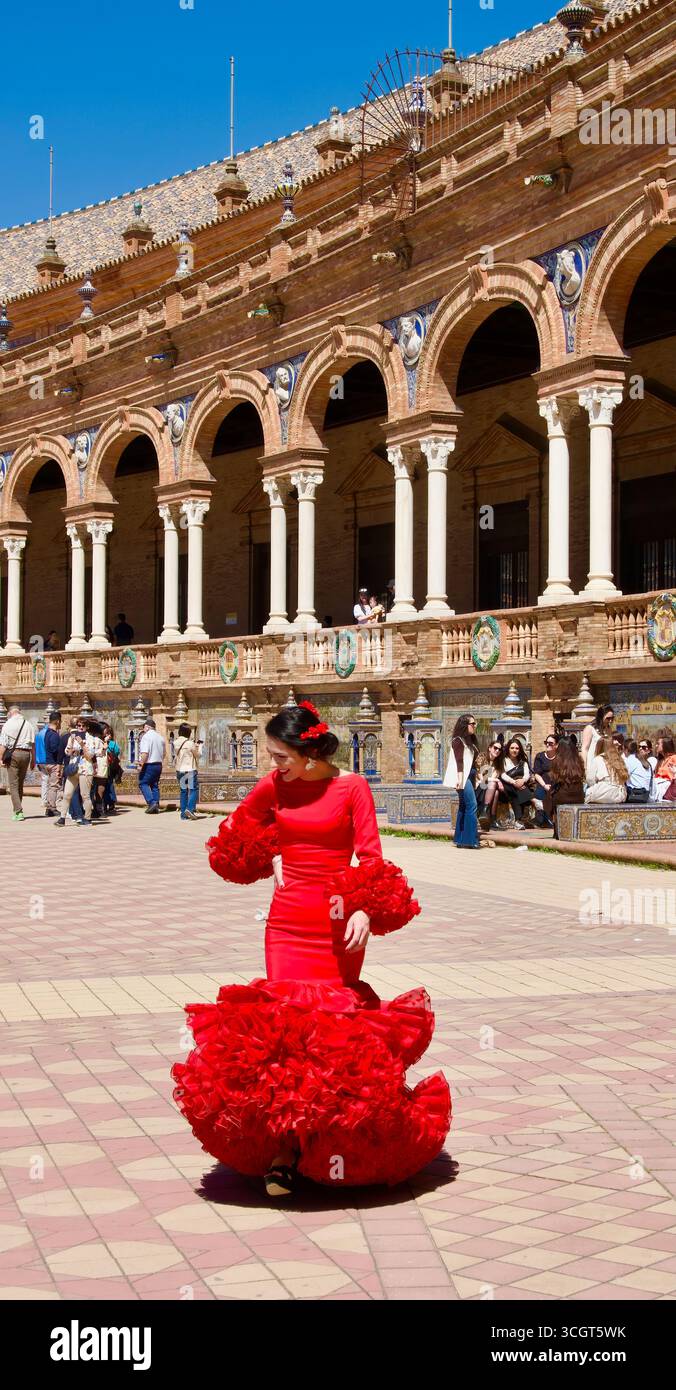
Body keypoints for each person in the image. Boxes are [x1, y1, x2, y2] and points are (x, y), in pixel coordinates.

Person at [172, 700, 451, 1197]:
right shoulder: (273, 787)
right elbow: (234, 833)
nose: (271, 764)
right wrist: (271, 851)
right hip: (286, 921)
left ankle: (327, 1145)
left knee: (332, 1033)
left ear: (308, 753)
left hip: (337, 922)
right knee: (282, 1033)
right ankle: (285, 1149)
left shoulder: (352, 787)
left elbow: (371, 855)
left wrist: (367, 907)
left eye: (279, 756)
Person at [444, 714, 480, 848]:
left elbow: (474, 761)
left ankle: (460, 839)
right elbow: (459, 761)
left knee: (464, 806)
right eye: (473, 724)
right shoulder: (458, 740)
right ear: (465, 725)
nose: (475, 726)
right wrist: (459, 779)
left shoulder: (470, 741)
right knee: (472, 805)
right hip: (462, 777)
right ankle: (470, 840)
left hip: (470, 775)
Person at [55, 721, 95, 827]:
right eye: (79, 726)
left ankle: (87, 818)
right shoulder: (71, 737)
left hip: (85, 769)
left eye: (83, 726)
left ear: (86, 727)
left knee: (85, 795)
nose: (81, 728)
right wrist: (72, 742)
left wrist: (82, 744)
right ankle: (62, 818)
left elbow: (90, 755)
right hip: (73, 768)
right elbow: (67, 753)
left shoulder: (91, 739)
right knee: (67, 794)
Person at [545, 738, 586, 839]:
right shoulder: (579, 761)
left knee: (549, 798)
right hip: (578, 796)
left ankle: (557, 830)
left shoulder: (557, 761)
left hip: (562, 797)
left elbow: (554, 779)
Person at [0, 705, 36, 822]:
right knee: (20, 783)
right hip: (26, 755)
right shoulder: (29, 724)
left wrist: (1, 758)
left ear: (10, 713)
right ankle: (17, 809)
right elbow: (33, 744)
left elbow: (3, 745)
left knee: (13, 784)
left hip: (13, 754)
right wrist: (33, 759)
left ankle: (18, 810)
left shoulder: (8, 724)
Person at [500, 737, 536, 828]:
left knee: (520, 790)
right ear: (508, 748)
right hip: (507, 784)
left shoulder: (523, 762)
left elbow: (527, 775)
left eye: (517, 748)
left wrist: (522, 781)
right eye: (512, 748)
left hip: (521, 785)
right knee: (514, 791)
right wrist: (514, 782)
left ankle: (519, 821)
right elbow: (503, 775)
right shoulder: (504, 760)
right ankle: (534, 801)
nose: (514, 750)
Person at [585, 735, 628, 804]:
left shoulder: (598, 759)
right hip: (620, 795)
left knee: (586, 793)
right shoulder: (619, 759)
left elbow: (590, 779)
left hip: (604, 792)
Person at [174, 722, 201, 820]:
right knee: (193, 790)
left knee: (183, 791)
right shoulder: (190, 743)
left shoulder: (175, 742)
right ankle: (190, 808)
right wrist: (199, 747)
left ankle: (183, 815)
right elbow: (197, 755)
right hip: (190, 770)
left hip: (180, 770)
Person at [532, 733, 560, 828]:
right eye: (546, 742)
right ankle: (541, 820)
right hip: (542, 784)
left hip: (555, 784)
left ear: (556, 745)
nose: (547, 744)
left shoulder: (560, 758)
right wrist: (544, 785)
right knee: (539, 793)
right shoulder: (540, 756)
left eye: (550, 743)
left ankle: (552, 820)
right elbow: (536, 774)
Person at [138, 717, 165, 813]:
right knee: (154, 784)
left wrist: (141, 765)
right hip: (158, 764)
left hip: (149, 764)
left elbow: (145, 753)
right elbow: (164, 754)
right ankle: (156, 804)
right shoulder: (160, 737)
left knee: (143, 783)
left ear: (147, 727)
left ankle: (151, 802)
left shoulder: (146, 737)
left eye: (144, 728)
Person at [476, 739, 503, 829]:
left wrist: (495, 780)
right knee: (493, 784)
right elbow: (480, 776)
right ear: (490, 748)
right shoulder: (482, 757)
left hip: (488, 788)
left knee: (496, 792)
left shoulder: (498, 763)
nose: (497, 751)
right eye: (495, 748)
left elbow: (493, 778)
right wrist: (497, 781)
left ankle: (488, 815)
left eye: (499, 749)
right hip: (479, 787)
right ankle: (489, 816)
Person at [581, 705, 614, 778]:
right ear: (601, 717)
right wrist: (585, 767)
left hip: (605, 765)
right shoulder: (590, 729)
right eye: (608, 718)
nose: (610, 721)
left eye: (612, 718)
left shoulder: (608, 729)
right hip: (592, 763)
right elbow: (584, 749)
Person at [42, 713, 63, 816]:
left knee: (50, 785)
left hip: (47, 761)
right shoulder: (54, 735)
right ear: (57, 721)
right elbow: (55, 749)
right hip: (53, 763)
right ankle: (52, 808)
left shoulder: (47, 733)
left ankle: (49, 807)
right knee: (54, 786)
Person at [654, 737, 676, 801]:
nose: (656, 746)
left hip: (669, 791)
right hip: (658, 790)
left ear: (665, 745)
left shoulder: (674, 758)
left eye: (658, 744)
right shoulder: (660, 761)